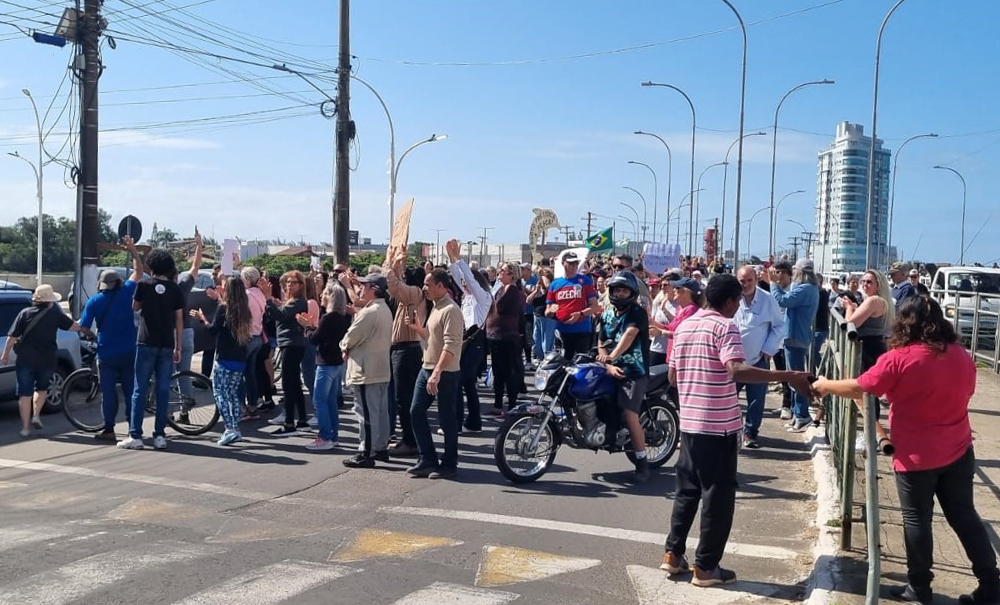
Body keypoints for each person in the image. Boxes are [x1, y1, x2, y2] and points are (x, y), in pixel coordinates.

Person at [814, 297, 1000, 605]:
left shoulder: (899, 358)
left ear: (904, 322)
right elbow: (967, 392)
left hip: (916, 455)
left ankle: (919, 587)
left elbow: (862, 387)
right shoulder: (961, 355)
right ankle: (991, 584)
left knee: (917, 520)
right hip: (958, 448)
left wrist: (825, 385)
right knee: (965, 516)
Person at [661, 274, 815, 586]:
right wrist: (787, 376)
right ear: (730, 302)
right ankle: (706, 567)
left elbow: (673, 378)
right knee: (718, 497)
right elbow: (736, 369)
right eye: (737, 302)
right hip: (718, 427)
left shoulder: (685, 325)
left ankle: (673, 555)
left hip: (689, 424)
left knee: (687, 493)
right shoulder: (725, 325)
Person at [118, 249, 185, 450]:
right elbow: (179, 319)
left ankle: (136, 435)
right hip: (167, 344)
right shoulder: (175, 289)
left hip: (146, 342)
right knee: (163, 389)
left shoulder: (144, 285)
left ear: (152, 266)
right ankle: (159, 435)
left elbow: (135, 308)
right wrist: (178, 345)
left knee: (140, 388)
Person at [78, 238, 142, 440]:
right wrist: (133, 251)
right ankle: (133, 428)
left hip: (106, 351)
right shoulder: (126, 292)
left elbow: (84, 327)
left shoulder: (94, 301)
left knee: (108, 392)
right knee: (131, 389)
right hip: (129, 350)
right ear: (118, 283)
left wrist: (93, 336)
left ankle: (109, 429)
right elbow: (139, 271)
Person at [1, 284, 85, 438]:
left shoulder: (24, 313)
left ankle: (25, 427)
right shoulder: (55, 315)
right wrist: (87, 322)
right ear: (50, 301)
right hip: (47, 359)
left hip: (25, 359)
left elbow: (12, 337)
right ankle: (36, 415)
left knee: (24, 394)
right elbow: (75, 327)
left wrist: (5, 354)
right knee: (41, 389)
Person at [406, 268, 464, 480]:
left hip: (445, 372)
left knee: (446, 418)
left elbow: (451, 345)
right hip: (427, 368)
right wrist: (419, 329)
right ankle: (427, 459)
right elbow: (433, 338)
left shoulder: (451, 310)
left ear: (441, 286)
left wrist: (437, 372)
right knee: (416, 411)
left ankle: (449, 463)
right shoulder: (436, 307)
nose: (424, 288)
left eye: (428, 284)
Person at [596, 271, 652, 482]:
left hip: (634, 371)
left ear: (632, 292)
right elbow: (601, 339)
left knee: (630, 415)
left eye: (623, 290)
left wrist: (611, 357)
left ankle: (642, 462)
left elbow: (629, 336)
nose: (619, 294)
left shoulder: (637, 313)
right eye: (616, 290)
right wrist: (604, 358)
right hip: (611, 367)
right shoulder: (608, 314)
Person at [340, 274, 393, 467]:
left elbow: (352, 335)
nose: (361, 288)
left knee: (366, 413)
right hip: (379, 367)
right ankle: (380, 448)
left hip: (366, 369)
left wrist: (344, 346)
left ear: (373, 288)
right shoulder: (384, 309)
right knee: (379, 411)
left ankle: (366, 452)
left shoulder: (370, 311)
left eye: (364, 285)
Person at [192, 276, 251, 446]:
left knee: (220, 393)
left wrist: (202, 319)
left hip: (225, 357)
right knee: (232, 394)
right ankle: (235, 428)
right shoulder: (244, 309)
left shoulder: (223, 308)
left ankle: (230, 428)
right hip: (240, 358)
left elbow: (213, 330)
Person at [733, 266, 785, 449]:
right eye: (742, 281)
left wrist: (770, 348)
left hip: (758, 359)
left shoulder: (768, 299)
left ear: (756, 279)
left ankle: (750, 432)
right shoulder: (732, 297)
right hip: (733, 361)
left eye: (749, 280)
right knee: (728, 396)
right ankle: (731, 429)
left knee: (756, 400)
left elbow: (780, 326)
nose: (746, 284)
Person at [383, 246, 428, 456]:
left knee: (404, 398)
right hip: (404, 350)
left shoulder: (414, 293)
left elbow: (392, 283)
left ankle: (410, 441)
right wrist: (396, 262)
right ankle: (409, 438)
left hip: (407, 351)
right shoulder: (410, 296)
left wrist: (391, 261)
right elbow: (395, 282)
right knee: (403, 398)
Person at [297, 283, 352, 450]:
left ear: (331, 297)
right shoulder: (343, 316)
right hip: (337, 362)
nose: (321, 296)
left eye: (325, 294)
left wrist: (306, 326)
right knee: (330, 402)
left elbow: (314, 339)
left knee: (319, 400)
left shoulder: (328, 318)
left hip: (326, 362)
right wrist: (312, 327)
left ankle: (325, 436)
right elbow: (323, 335)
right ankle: (332, 436)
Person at [446, 240, 492, 430]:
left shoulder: (483, 298)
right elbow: (458, 278)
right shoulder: (467, 299)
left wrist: (459, 260)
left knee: (460, 382)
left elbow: (469, 280)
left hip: (474, 345)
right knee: (468, 385)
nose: (464, 285)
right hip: (464, 342)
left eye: (467, 283)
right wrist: (452, 260)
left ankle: (458, 423)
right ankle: (474, 422)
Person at [769, 259, 820, 432]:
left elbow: (783, 300)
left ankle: (802, 415)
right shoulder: (809, 288)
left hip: (796, 336)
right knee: (794, 378)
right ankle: (796, 412)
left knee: (797, 379)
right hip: (796, 336)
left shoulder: (805, 289)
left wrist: (773, 284)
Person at [261, 270, 309, 435]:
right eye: (288, 282)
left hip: (292, 345)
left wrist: (268, 299)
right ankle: (302, 419)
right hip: (290, 344)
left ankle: (289, 423)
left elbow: (280, 316)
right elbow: (279, 313)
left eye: (293, 282)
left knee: (289, 384)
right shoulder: (292, 301)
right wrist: (275, 303)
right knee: (294, 383)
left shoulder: (298, 301)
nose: (289, 285)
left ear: (301, 285)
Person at [487, 262, 527, 415]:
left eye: (503, 271)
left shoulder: (511, 290)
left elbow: (499, 307)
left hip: (508, 337)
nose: (499, 273)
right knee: (498, 371)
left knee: (508, 372)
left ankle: (511, 405)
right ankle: (498, 405)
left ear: (512, 275)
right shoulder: (500, 289)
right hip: (496, 336)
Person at [546, 251, 600, 360]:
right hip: (562, 331)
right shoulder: (555, 284)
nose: (574, 265)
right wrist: (551, 311)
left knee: (581, 362)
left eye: (576, 263)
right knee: (563, 363)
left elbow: (594, 306)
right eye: (570, 263)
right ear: (563, 263)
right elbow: (547, 312)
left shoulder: (585, 281)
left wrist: (580, 314)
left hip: (582, 330)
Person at [176, 231, 204, 401]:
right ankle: (185, 409)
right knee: (184, 374)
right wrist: (199, 246)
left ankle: (168, 412)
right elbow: (195, 267)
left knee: (167, 374)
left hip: (170, 334)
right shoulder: (182, 285)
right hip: (187, 332)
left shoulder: (157, 288)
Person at [239, 267, 266, 420]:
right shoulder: (260, 294)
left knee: (240, 374)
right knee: (250, 374)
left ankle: (243, 408)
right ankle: (253, 405)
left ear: (247, 280)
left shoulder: (246, 295)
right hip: (257, 336)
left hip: (247, 336)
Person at [530, 269, 557, 361]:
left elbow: (549, 286)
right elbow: (528, 300)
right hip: (537, 316)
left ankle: (546, 359)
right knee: (536, 342)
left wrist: (546, 280)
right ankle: (541, 357)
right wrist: (535, 291)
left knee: (547, 341)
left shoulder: (552, 287)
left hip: (549, 317)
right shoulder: (537, 288)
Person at [520, 263, 538, 369]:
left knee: (530, 336)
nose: (521, 271)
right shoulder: (520, 281)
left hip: (531, 312)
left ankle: (530, 359)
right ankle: (525, 358)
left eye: (523, 269)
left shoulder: (534, 280)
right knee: (523, 336)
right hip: (522, 312)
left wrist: (525, 289)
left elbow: (535, 293)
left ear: (528, 270)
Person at [813, 274, 831, 373]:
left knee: (811, 350)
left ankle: (823, 370)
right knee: (810, 352)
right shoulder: (817, 292)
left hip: (821, 328)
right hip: (815, 327)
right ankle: (812, 374)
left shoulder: (822, 293)